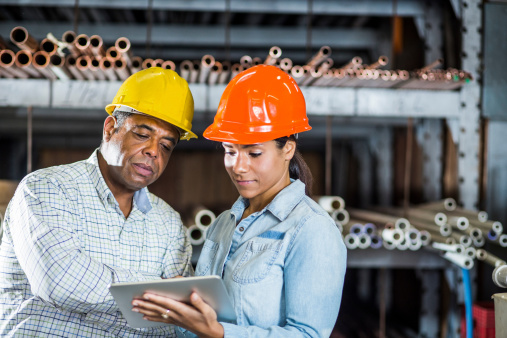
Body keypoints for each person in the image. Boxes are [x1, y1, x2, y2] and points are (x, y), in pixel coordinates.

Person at [132, 65, 347, 337]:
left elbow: (308, 334)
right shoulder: (223, 224)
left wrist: (220, 334)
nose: (238, 167)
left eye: (254, 153)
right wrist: (184, 301)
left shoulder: (312, 230)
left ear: (288, 149)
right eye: (230, 151)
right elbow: (211, 317)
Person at [0, 67, 197, 337]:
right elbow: (61, 283)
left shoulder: (168, 223)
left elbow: (178, 316)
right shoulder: (47, 189)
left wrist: (153, 295)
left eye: (166, 145)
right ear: (110, 128)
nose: (154, 151)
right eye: (142, 134)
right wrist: (159, 289)